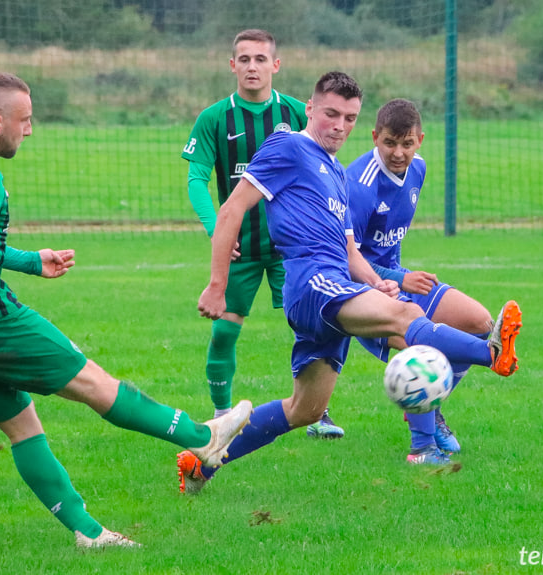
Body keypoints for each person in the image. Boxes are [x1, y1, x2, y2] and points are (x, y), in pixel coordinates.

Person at [0, 72, 252, 549]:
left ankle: (89, 534)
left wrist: (29, 261)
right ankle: (200, 436)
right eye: (24, 120)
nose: (30, 129)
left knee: (21, 425)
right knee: (91, 382)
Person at [176, 71, 522, 494]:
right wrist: (217, 284)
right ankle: (493, 354)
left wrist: (377, 282)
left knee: (305, 409)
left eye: (350, 118)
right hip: (312, 279)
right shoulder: (288, 145)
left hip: (334, 282)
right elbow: (232, 211)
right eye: (331, 114)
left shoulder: (336, 172)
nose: (339, 126)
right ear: (309, 109)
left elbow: (351, 251)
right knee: (406, 317)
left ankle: (202, 460)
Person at [181, 29, 344, 439]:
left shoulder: (296, 114)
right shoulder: (214, 118)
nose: (252, 66)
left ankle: (316, 411)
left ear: (275, 65)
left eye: (260, 59)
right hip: (242, 248)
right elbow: (196, 179)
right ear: (232, 65)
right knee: (223, 330)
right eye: (244, 59)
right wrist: (217, 228)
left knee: (316, 325)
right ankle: (221, 416)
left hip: (293, 249)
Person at [346, 99, 496, 465]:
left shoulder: (419, 170)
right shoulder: (359, 185)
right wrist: (399, 278)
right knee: (418, 347)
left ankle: (428, 405)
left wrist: (402, 277)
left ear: (420, 140)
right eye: (389, 143)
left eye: (407, 144)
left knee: (480, 323)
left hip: (402, 281)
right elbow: (346, 261)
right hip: (363, 289)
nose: (399, 153)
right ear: (374, 138)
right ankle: (423, 448)